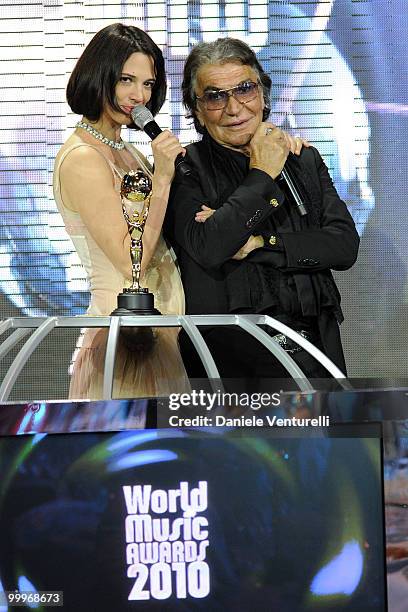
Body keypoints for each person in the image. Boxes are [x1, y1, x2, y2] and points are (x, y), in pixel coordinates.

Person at [164, 37, 360, 386]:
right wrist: (262, 175)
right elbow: (211, 247)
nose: (234, 108)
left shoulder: (304, 160)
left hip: (316, 349)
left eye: (244, 89)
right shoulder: (183, 170)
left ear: (263, 94)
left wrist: (260, 243)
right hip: (230, 363)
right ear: (196, 109)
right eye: (215, 96)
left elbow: (344, 245)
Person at [53, 23, 189, 399]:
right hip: (124, 340)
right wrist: (161, 179)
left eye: (148, 84)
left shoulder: (129, 151)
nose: (138, 96)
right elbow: (133, 259)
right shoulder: (84, 157)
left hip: (159, 337)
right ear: (100, 76)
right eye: (127, 80)